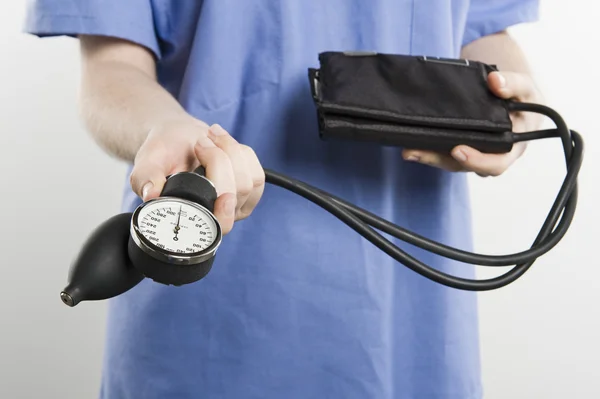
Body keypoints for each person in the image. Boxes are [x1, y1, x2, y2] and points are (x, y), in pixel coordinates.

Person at [25, 1, 543, 398]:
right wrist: (165, 128)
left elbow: (482, 28)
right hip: (214, 300)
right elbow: (112, 68)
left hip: (413, 302)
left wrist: (511, 105)